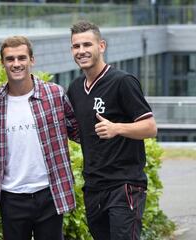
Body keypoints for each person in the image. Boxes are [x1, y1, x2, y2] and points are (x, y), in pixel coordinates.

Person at [0, 36, 79, 240]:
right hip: (11, 197)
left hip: (49, 193)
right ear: (2, 63)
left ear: (32, 60)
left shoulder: (54, 94)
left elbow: (77, 132)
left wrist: (116, 131)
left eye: (22, 58)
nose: (16, 64)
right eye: (10, 59)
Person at [67, 21, 157, 240]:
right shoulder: (76, 88)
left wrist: (116, 128)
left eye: (87, 44)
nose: (82, 51)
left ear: (101, 46)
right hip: (93, 187)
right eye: (76, 46)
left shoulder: (122, 82)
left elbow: (150, 127)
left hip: (124, 185)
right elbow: (79, 131)